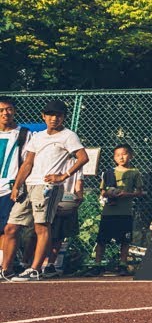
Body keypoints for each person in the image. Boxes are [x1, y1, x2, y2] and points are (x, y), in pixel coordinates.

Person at [2, 100, 89, 282]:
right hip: (28, 186)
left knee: (41, 226)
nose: (53, 118)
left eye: (58, 115)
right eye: (50, 115)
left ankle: (35, 269)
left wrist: (63, 176)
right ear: (43, 116)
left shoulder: (68, 136)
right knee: (11, 228)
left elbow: (83, 157)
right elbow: (28, 163)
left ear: (63, 117)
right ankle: (6, 270)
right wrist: (17, 185)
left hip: (48, 188)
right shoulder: (38, 136)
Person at [93, 144, 145, 275]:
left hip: (125, 212)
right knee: (101, 240)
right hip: (108, 212)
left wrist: (126, 194)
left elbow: (139, 192)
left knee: (125, 240)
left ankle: (122, 265)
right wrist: (109, 194)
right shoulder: (108, 173)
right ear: (114, 157)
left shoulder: (135, 173)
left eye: (124, 154)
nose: (121, 157)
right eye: (117, 155)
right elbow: (102, 192)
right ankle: (97, 265)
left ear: (131, 156)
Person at [0, 96, 33, 277]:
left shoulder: (24, 133)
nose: (6, 113)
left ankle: (6, 267)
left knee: (8, 228)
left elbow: (28, 161)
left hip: (9, 188)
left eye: (9, 109)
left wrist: (18, 185)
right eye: (2, 110)